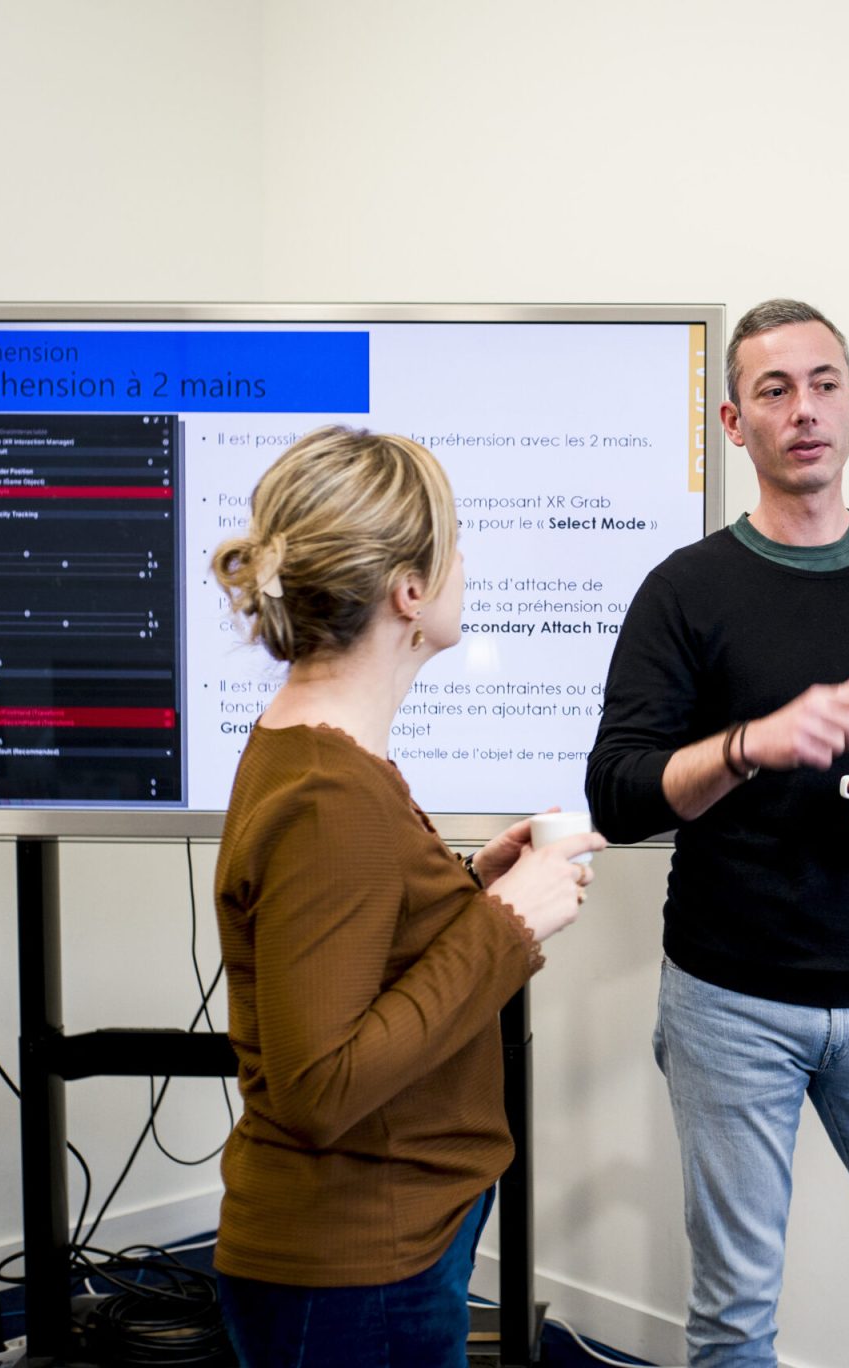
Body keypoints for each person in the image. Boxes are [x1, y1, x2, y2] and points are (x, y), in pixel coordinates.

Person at [586, 299, 849, 1366]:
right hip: (730, 1000)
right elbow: (619, 793)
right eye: (772, 391)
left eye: (823, 384)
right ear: (735, 425)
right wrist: (748, 745)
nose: (803, 409)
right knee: (734, 1322)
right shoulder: (684, 592)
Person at [207, 426, 605, 1368]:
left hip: (376, 1251)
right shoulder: (329, 796)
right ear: (410, 592)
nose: (467, 561)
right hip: (354, 1274)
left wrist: (465, 893)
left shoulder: (317, 759)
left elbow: (354, 951)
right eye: (454, 542)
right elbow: (320, 1087)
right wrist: (506, 928)